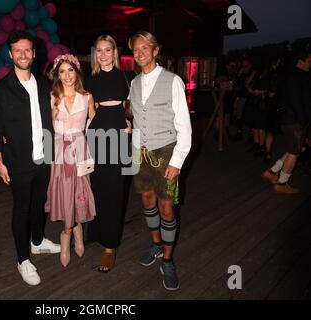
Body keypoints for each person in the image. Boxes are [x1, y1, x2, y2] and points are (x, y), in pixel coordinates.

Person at [0, 30, 60, 286]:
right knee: (22, 208)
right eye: (17, 50)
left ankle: (38, 241)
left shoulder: (42, 83)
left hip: (44, 157)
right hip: (17, 160)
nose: (22, 54)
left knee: (39, 203)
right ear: (10, 54)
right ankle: (23, 259)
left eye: (27, 50)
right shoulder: (1, 89)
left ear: (34, 53)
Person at [128, 31, 192, 290]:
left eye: (146, 47)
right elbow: (134, 115)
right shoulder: (133, 83)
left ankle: (167, 259)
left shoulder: (173, 81)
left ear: (155, 51)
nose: (140, 52)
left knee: (167, 208)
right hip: (139, 153)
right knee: (147, 201)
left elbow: (184, 127)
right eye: (136, 49)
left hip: (166, 152)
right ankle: (155, 245)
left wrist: (177, 161)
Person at [84, 35, 132, 273]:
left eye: (107, 50)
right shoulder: (90, 79)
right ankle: (96, 230)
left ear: (115, 52)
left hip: (120, 135)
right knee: (98, 185)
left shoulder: (127, 76)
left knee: (115, 189)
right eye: (99, 50)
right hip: (97, 132)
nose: (103, 54)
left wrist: (130, 120)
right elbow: (89, 111)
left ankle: (110, 246)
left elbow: (134, 105)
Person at [45, 54, 96, 267]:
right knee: (64, 191)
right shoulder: (51, 97)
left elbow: (94, 122)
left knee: (79, 192)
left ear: (77, 72)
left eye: (70, 70)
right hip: (58, 153)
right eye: (62, 71)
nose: (67, 76)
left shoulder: (87, 97)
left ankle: (78, 233)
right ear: (57, 74)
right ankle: (66, 236)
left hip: (79, 151)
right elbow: (45, 126)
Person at [261, 50, 311, 193]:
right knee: (295, 151)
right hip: (294, 120)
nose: (310, 64)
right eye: (309, 61)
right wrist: (303, 121)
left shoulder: (293, 75)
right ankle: (282, 183)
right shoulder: (297, 77)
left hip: (289, 118)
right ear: (301, 61)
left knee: (292, 148)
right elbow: (298, 101)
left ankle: (271, 172)